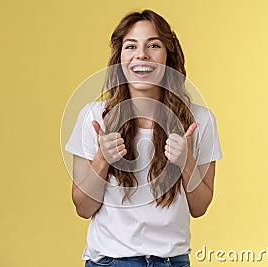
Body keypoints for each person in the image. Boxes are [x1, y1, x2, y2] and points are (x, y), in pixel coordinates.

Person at [65, 9, 223, 267]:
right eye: (131, 46)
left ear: (168, 56)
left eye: (153, 45)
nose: (142, 55)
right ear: (120, 57)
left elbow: (200, 206)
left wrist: (186, 161)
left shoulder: (199, 121)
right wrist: (102, 160)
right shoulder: (93, 117)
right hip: (110, 262)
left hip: (173, 262)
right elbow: (83, 208)